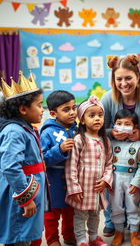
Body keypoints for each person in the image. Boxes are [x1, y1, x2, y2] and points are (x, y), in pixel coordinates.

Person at [101, 54, 140, 238]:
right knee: (112, 187)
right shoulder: (108, 99)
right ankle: (111, 222)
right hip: (114, 153)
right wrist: (111, 133)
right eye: (119, 79)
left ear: (137, 76)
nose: (124, 83)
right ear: (113, 80)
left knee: (139, 187)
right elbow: (99, 127)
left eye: (128, 78)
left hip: (139, 152)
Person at [0, 72, 46, 245]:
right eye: (39, 105)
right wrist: (25, 199)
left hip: (27, 193)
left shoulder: (24, 128)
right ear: (23, 109)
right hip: (20, 198)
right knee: (19, 238)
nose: (42, 110)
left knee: (25, 237)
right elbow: (10, 167)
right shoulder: (14, 131)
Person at [65, 95, 113, 246]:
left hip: (97, 188)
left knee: (95, 214)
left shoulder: (106, 141)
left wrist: (106, 180)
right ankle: (81, 239)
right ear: (83, 120)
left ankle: (93, 237)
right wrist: (74, 188)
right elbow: (71, 165)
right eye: (92, 115)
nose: (97, 118)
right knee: (80, 215)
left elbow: (110, 164)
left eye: (100, 115)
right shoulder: (79, 139)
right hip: (82, 188)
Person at [40, 90, 77, 246]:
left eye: (74, 108)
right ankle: (52, 239)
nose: (72, 112)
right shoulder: (47, 133)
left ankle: (68, 235)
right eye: (66, 109)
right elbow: (42, 160)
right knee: (51, 214)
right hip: (53, 182)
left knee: (70, 211)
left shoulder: (76, 130)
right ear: (54, 114)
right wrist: (59, 149)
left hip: (72, 180)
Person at [110, 109, 140, 246]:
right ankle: (118, 232)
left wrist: (137, 182)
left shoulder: (138, 144)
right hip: (114, 180)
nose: (122, 126)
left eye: (127, 124)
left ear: (135, 127)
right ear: (114, 125)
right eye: (119, 123)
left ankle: (134, 232)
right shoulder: (111, 143)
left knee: (133, 207)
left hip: (132, 180)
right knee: (116, 206)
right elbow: (106, 163)